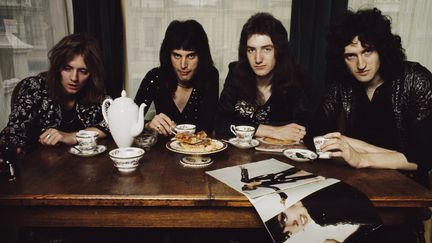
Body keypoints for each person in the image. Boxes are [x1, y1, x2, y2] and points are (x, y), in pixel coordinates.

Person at [311, 8, 432, 186]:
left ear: (382, 50)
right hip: (356, 181)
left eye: (367, 52)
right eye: (351, 56)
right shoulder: (341, 85)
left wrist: (362, 156)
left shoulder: (416, 79)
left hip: (406, 188)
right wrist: (355, 149)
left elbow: (424, 158)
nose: (360, 64)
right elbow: (315, 135)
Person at [0, 33, 109, 158]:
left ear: (91, 74)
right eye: (67, 68)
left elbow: (111, 123)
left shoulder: (92, 90)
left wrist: (72, 136)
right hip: (38, 170)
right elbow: (13, 133)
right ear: (57, 67)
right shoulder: (34, 88)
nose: (74, 78)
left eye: (83, 71)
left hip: (83, 168)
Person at [216, 13, 310, 142]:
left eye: (266, 49)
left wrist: (246, 128)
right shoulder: (236, 73)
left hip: (279, 157)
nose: (258, 59)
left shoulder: (295, 77)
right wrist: (271, 131)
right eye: (251, 50)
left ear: (279, 51)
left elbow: (301, 129)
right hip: (239, 157)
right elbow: (220, 123)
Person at [134, 19, 219, 136]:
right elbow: (129, 122)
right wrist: (148, 125)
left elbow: (208, 127)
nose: (183, 65)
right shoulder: (155, 77)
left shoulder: (210, 76)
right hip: (162, 152)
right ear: (168, 55)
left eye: (191, 56)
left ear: (201, 56)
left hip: (198, 151)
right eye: (177, 55)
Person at [265, 182, 383, 243]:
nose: (295, 225)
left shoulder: (320, 214)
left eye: (284, 219)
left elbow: (374, 219)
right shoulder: (318, 211)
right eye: (288, 234)